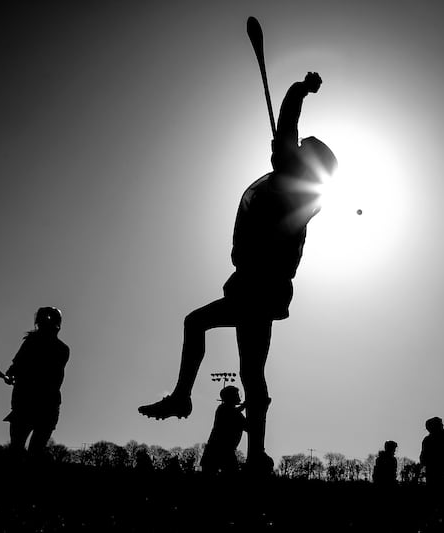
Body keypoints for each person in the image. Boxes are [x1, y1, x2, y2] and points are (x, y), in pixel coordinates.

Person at [139, 72, 336, 475]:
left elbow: (287, 123)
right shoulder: (306, 194)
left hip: (255, 287)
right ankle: (256, 454)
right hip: (266, 290)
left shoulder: (290, 182)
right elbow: (287, 130)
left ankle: (183, 398)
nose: (291, 148)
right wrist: (298, 96)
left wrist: (300, 89)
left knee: (197, 324)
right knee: (252, 374)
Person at [3, 306, 70, 454]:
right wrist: (11, 374)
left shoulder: (57, 348)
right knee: (23, 450)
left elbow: (21, 366)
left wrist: (13, 374)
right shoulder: (58, 348)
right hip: (36, 405)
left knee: (24, 450)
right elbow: (17, 365)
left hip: (36, 405)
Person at [200, 386, 247, 476]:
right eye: (236, 395)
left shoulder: (229, 411)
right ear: (231, 397)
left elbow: (246, 425)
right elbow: (233, 414)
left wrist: (244, 407)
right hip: (218, 450)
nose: (238, 397)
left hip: (221, 450)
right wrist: (244, 406)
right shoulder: (224, 409)